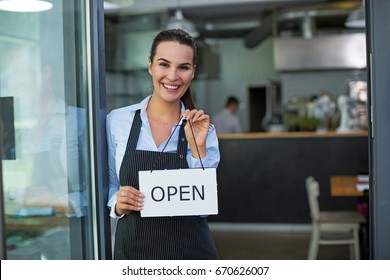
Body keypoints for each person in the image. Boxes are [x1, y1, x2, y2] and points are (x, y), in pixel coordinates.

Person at [106, 29, 220, 260]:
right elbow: (109, 186)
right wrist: (116, 203)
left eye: (183, 67)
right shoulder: (118, 121)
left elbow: (203, 207)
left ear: (192, 73)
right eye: (164, 64)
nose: (173, 76)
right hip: (134, 253)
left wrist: (197, 147)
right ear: (150, 66)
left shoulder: (203, 130)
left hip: (191, 253)